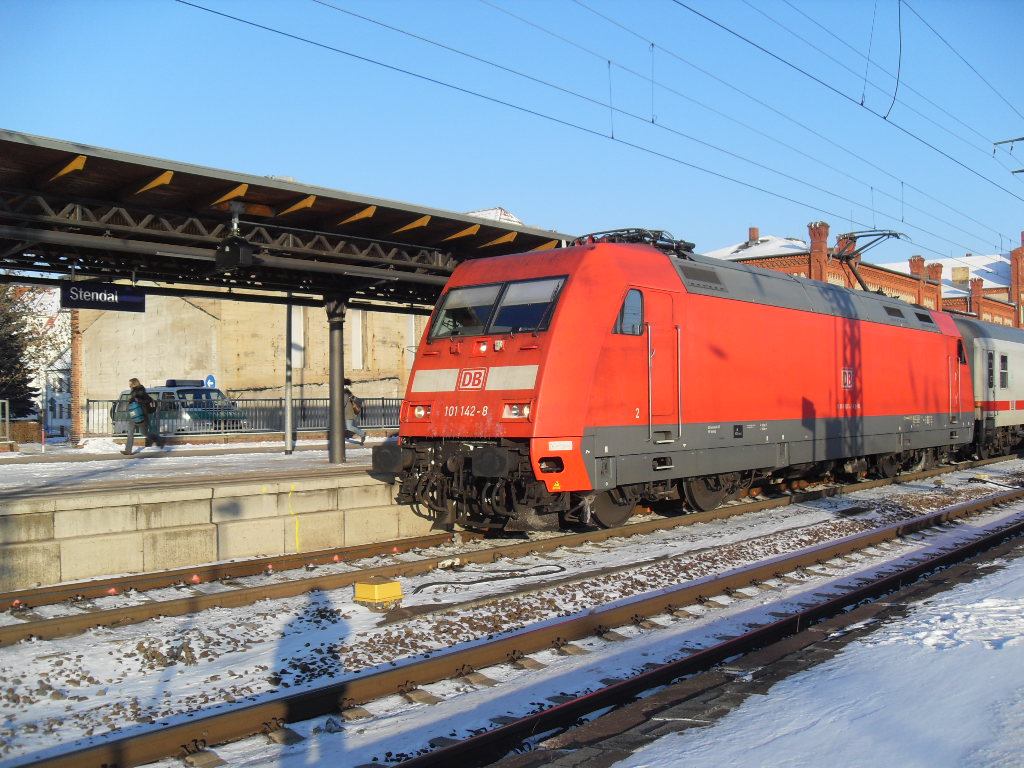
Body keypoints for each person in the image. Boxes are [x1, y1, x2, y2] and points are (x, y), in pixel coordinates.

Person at [121, 377, 164, 455]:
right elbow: (133, 400)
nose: (129, 385)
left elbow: (148, 400)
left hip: (141, 414)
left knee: (144, 432)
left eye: (130, 384)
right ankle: (128, 450)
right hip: (134, 414)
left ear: (134, 383)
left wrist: (138, 400)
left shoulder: (141, 391)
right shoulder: (133, 391)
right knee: (130, 432)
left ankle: (158, 439)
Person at [344, 377, 366, 445]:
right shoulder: (346, 392)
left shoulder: (345, 393)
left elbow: (343, 403)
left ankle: (362, 433)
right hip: (346, 413)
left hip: (348, 413)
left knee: (349, 427)